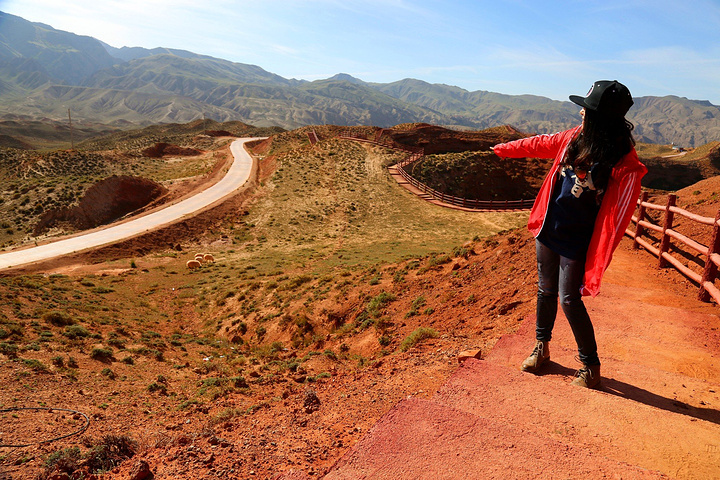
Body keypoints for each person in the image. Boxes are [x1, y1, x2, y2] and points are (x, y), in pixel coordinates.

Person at [491, 80, 647, 389]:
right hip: (550, 227)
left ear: (601, 117)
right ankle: (541, 348)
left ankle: (590, 366)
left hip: (578, 240)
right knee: (545, 289)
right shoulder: (575, 138)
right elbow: (539, 143)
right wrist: (503, 150)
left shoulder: (624, 164)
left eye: (587, 109)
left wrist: (599, 259)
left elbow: (617, 220)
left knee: (569, 299)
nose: (580, 113)